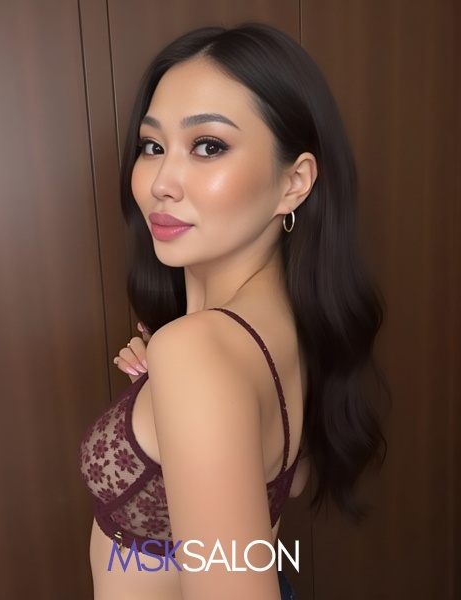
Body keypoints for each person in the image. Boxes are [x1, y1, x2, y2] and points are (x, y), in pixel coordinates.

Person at [79, 23, 387, 600]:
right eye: (152, 146)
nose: (160, 183)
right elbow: (290, 478)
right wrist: (162, 400)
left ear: (294, 182)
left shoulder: (198, 350)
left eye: (208, 146)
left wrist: (183, 374)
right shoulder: (289, 321)